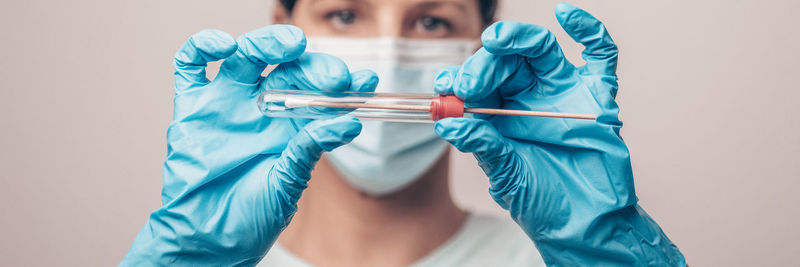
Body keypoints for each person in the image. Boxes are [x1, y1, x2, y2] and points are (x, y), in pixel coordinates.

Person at [121, 0, 686, 266]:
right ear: (284, 31)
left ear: (482, 45)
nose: (390, 52)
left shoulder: (550, 259)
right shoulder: (214, 252)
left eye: (431, 20)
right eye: (346, 14)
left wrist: (606, 247)